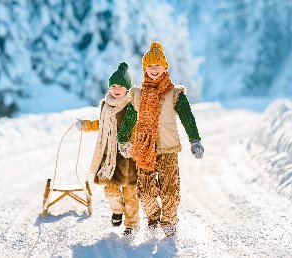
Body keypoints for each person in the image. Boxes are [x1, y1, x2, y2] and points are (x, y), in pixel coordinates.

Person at [117, 42, 204, 237]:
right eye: (150, 66)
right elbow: (130, 118)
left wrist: (195, 140)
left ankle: (170, 221)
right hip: (144, 149)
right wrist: (123, 139)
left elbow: (187, 117)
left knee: (170, 191)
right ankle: (153, 216)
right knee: (146, 193)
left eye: (158, 65)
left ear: (165, 67)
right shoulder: (137, 94)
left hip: (168, 149)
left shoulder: (175, 93)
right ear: (144, 68)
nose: (154, 69)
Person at [76, 62, 139, 235]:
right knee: (110, 190)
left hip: (128, 156)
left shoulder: (132, 105)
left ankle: (132, 225)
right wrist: (87, 125)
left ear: (127, 88)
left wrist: (131, 143)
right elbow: (102, 125)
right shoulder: (106, 105)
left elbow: (138, 128)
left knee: (130, 194)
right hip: (110, 157)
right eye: (113, 85)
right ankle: (117, 210)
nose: (116, 89)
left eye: (120, 86)